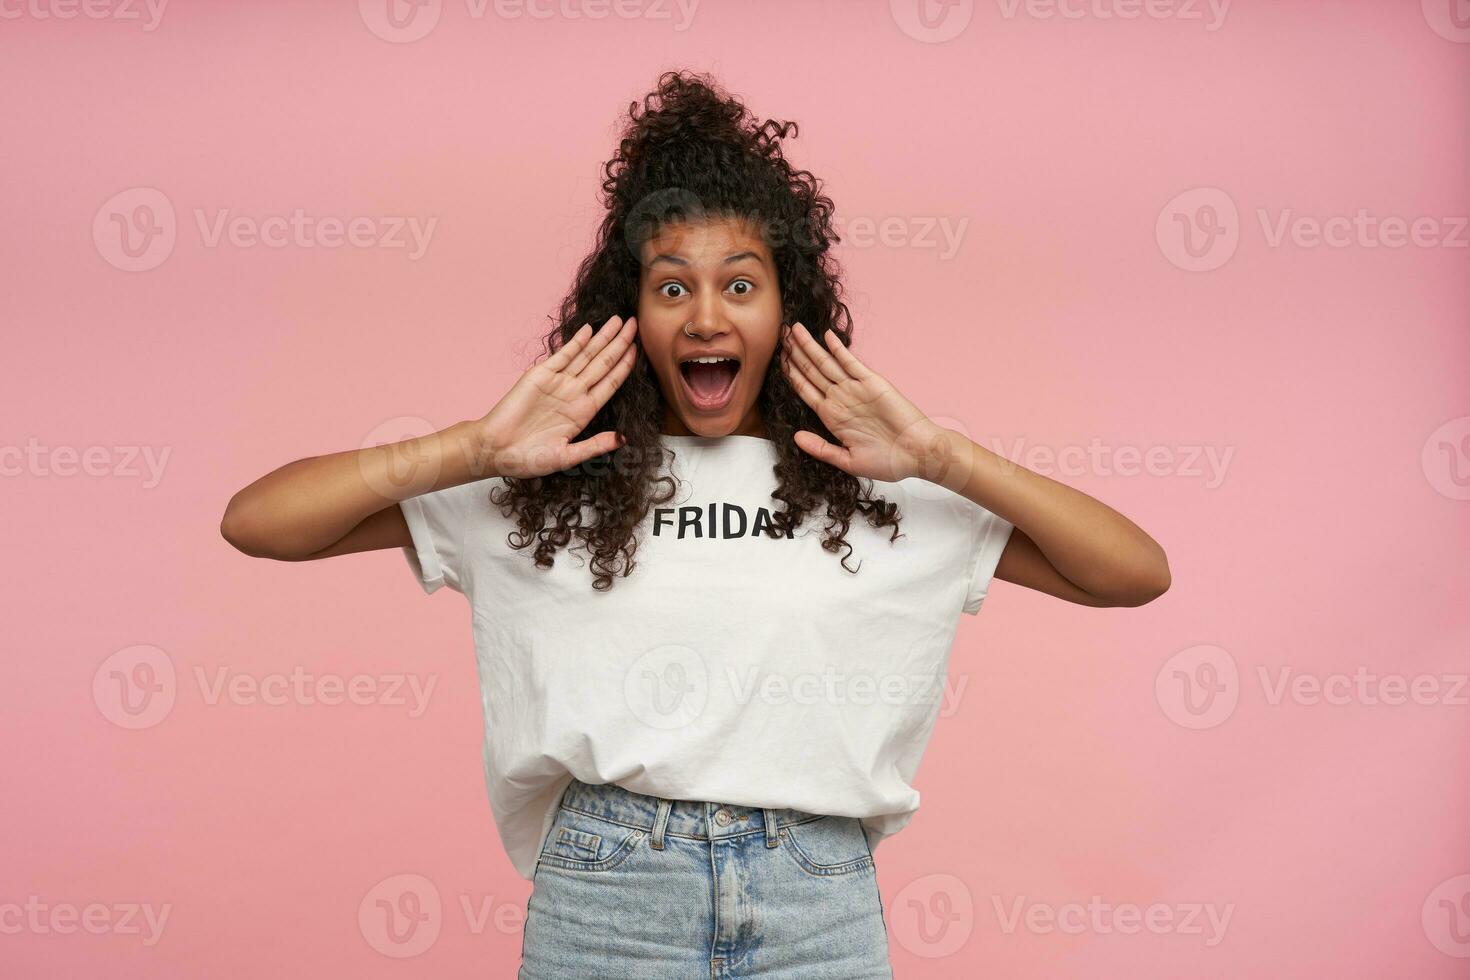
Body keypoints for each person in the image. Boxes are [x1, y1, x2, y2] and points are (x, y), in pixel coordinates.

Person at [220, 69, 1170, 979]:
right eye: (673, 286)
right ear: (629, 311)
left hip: (818, 899)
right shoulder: (547, 483)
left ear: (786, 309)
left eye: (741, 286)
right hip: (607, 901)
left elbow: (1134, 572)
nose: (707, 316)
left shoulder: (876, 487)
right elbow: (259, 521)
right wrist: (475, 447)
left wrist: (943, 457)